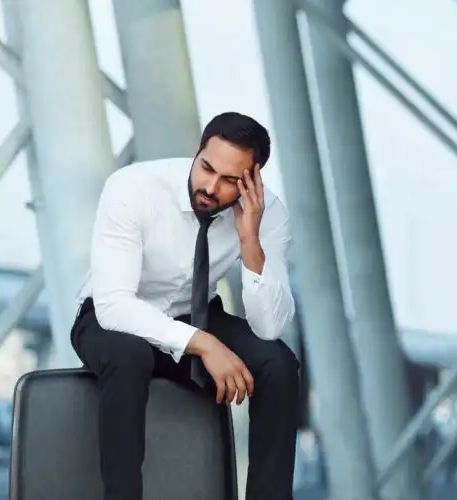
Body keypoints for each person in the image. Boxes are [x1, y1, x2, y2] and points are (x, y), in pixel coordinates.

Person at [71, 112, 300, 500]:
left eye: (230, 180)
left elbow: (268, 327)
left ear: (252, 179)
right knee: (129, 357)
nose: (210, 187)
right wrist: (204, 344)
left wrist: (250, 242)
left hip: (194, 313)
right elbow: (114, 305)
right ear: (197, 152)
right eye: (207, 167)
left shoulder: (269, 215)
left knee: (278, 363)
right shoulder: (133, 187)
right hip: (112, 320)